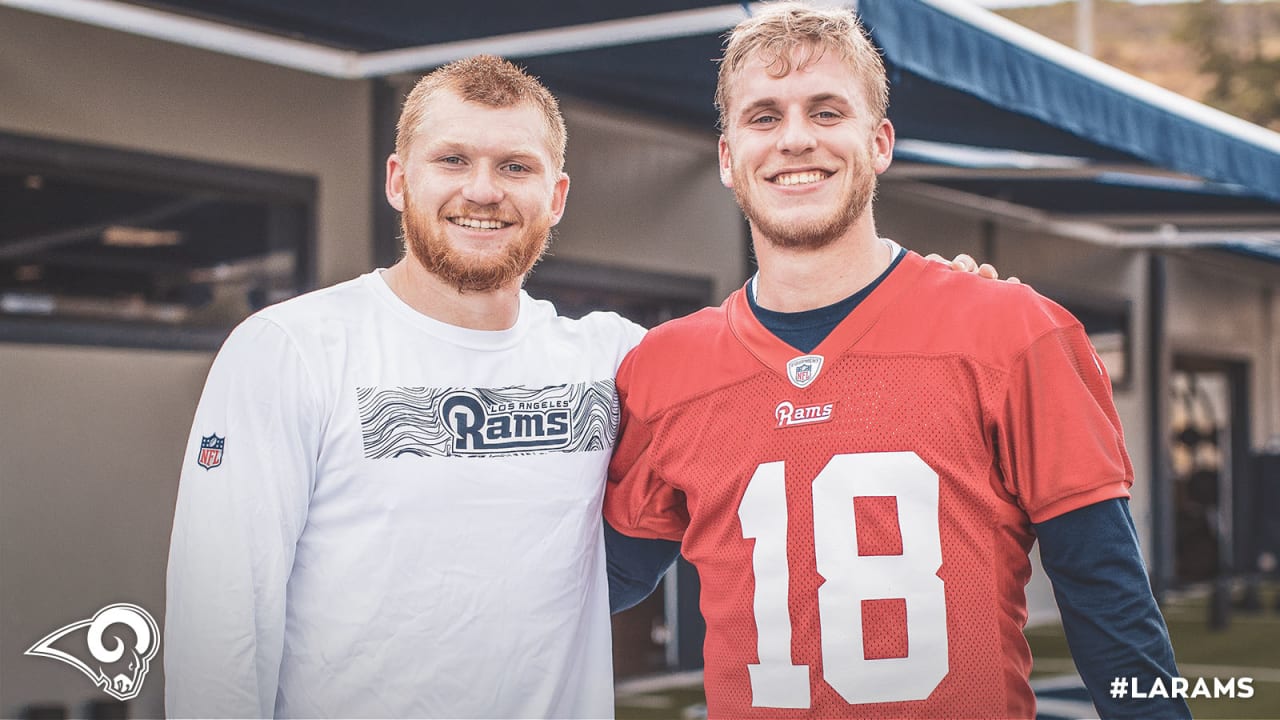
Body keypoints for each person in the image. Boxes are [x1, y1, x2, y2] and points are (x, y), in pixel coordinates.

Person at [164, 50, 997, 718]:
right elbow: (221, 625)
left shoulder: (616, 359)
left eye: (515, 166)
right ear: (397, 180)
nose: (483, 189)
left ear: (556, 195)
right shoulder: (290, 350)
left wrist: (934, 300)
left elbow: (799, 365)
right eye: (452, 159)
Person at [603, 4, 1190, 719]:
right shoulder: (663, 368)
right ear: (728, 157)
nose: (794, 139)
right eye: (763, 117)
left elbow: (1111, 604)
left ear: (879, 142)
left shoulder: (1015, 332)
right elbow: (602, 579)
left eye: (826, 112)